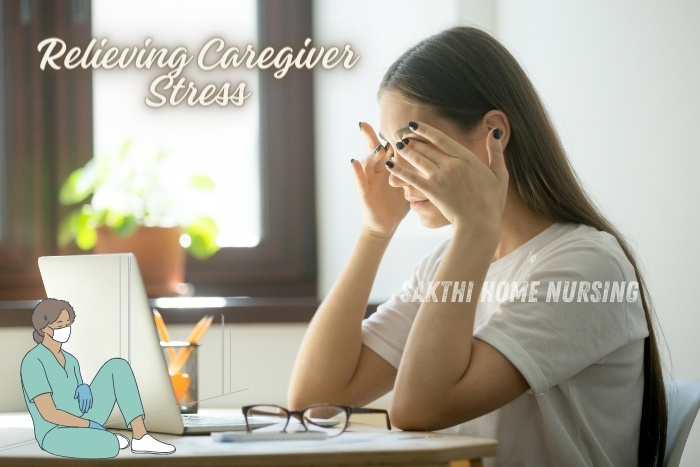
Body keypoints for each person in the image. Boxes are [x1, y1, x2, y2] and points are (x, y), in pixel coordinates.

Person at [288, 26, 666, 467]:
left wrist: (474, 228)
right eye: (390, 151)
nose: (395, 173)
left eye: (410, 145)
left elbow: (417, 410)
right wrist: (375, 233)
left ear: (495, 135)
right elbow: (315, 401)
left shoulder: (588, 266)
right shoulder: (447, 265)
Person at [20, 298, 175, 459]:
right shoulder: (33, 362)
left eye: (67, 324)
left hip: (83, 417)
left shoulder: (70, 360)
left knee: (118, 366)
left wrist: (83, 387)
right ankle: (104, 439)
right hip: (55, 431)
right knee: (109, 445)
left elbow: (76, 397)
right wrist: (88, 425)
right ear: (44, 328)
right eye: (60, 325)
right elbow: (49, 414)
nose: (65, 329)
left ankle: (141, 437)